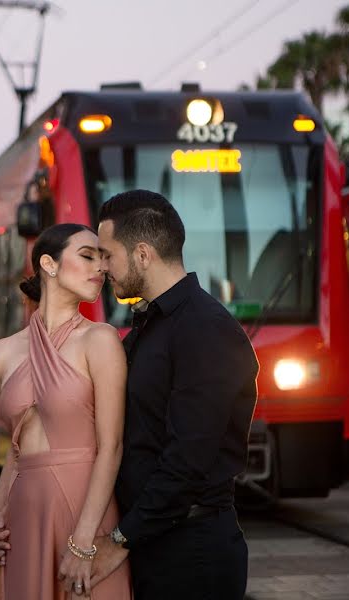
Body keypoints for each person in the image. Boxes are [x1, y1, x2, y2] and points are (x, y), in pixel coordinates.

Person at [90, 189, 259, 599]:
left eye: (107, 255)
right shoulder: (150, 328)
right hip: (159, 542)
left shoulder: (205, 329)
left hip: (191, 552)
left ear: (143, 255)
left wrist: (119, 540)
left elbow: (187, 460)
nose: (102, 268)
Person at [0, 223, 133, 600]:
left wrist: (84, 542)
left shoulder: (101, 340)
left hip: (86, 510)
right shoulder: (0, 355)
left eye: (103, 259)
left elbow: (110, 448)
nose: (100, 268)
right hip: (25, 513)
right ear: (48, 263)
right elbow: (18, 449)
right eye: (87, 256)